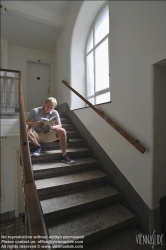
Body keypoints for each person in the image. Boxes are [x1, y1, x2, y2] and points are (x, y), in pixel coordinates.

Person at [26, 97, 75, 164]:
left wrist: (52, 127)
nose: (49, 109)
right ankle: (38, 146)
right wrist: (35, 124)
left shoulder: (55, 113)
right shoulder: (35, 111)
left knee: (62, 130)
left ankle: (64, 155)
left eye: (51, 107)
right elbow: (26, 122)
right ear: (45, 103)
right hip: (36, 135)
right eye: (48, 106)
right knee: (25, 127)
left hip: (48, 134)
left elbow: (59, 125)